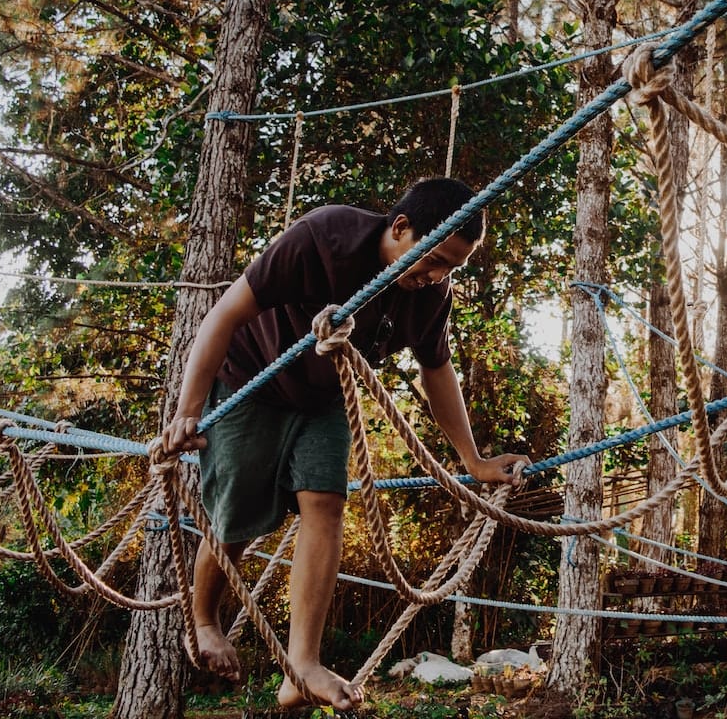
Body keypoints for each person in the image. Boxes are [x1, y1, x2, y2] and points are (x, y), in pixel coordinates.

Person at [161, 177, 529, 712]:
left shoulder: (432, 295)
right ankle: (204, 622)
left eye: (453, 267)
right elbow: (224, 314)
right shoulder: (323, 236)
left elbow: (437, 371)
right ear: (400, 228)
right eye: (434, 259)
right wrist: (188, 411)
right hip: (251, 381)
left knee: (327, 505)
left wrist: (472, 460)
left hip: (323, 399)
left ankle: (301, 666)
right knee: (233, 515)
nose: (437, 276)